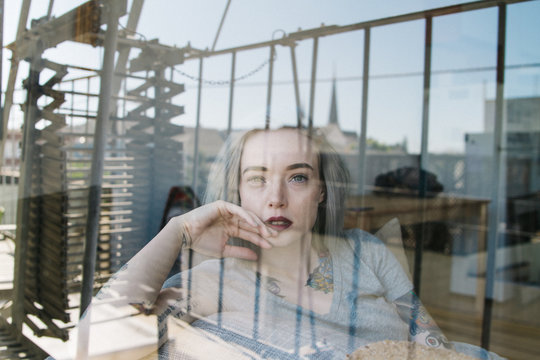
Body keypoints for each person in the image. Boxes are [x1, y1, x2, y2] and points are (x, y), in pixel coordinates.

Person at [89, 126, 466, 359]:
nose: (276, 198)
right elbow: (98, 348)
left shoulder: (364, 250)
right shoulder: (214, 280)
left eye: (298, 178)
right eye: (257, 178)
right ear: (236, 190)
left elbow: (434, 343)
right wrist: (177, 232)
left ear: (322, 191)